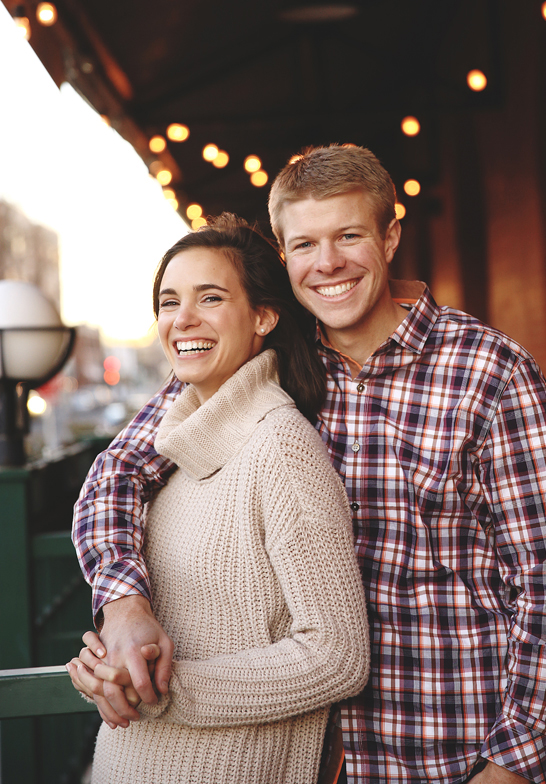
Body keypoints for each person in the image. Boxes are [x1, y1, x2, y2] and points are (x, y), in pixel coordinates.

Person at [71, 146, 546, 784]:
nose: (328, 263)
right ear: (283, 254)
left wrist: (515, 758)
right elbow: (116, 476)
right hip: (301, 755)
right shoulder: (262, 362)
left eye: (349, 236)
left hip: (446, 747)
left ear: (390, 237)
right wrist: (124, 605)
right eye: (304, 244)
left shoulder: (488, 371)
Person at [68, 214, 370, 784]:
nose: (182, 319)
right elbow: (113, 482)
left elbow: (338, 656)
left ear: (263, 316)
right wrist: (107, 662)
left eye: (210, 297)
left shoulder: (281, 446)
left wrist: (158, 686)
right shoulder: (171, 446)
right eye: (169, 302)